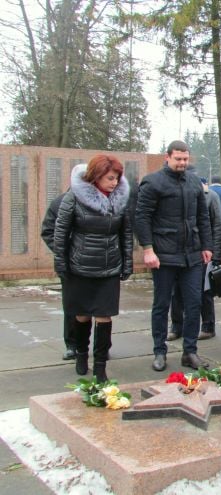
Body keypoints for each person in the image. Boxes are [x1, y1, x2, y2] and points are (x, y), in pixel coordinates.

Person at [134, 140, 213, 372]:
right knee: (161, 304)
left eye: (186, 159)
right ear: (167, 157)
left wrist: (207, 245)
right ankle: (159, 351)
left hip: (192, 254)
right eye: (178, 159)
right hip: (164, 254)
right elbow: (142, 217)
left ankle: (190, 351)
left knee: (194, 302)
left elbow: (202, 216)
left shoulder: (193, 182)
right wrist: (147, 248)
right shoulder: (153, 182)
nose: (182, 163)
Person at [53, 156, 133, 382]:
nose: (114, 182)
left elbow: (126, 233)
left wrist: (127, 263)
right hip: (81, 266)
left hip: (109, 267)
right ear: (96, 176)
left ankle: (100, 365)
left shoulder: (120, 199)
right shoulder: (74, 197)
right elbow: (61, 232)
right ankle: (81, 354)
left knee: (104, 316)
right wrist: (61, 263)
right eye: (110, 178)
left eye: (117, 178)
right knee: (81, 314)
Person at [169, 176, 221, 341]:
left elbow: (219, 225)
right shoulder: (178, 195)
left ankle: (208, 326)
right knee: (176, 291)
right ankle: (176, 326)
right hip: (179, 252)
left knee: (204, 290)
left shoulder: (211, 196)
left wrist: (217, 254)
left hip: (202, 252)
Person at [41, 192, 77, 360]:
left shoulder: (105, 200)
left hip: (99, 263)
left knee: (100, 309)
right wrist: (65, 252)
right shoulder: (61, 202)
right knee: (72, 305)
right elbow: (48, 231)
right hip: (70, 264)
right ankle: (72, 345)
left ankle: (101, 346)